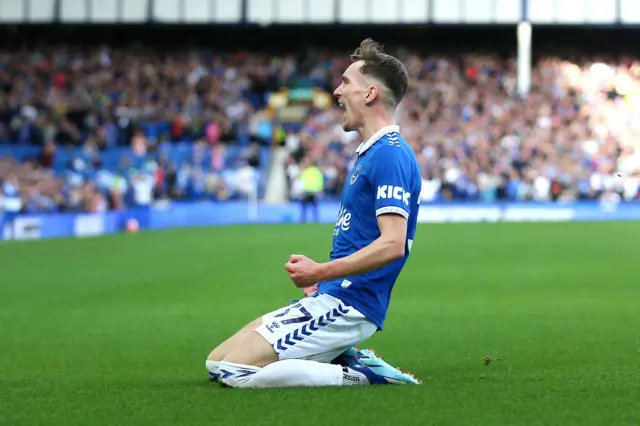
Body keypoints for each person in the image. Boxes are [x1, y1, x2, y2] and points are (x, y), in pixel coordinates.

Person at [205, 38, 422, 388]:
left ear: (370, 94)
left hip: (351, 304)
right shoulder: (371, 153)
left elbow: (393, 244)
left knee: (236, 372)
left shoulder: (390, 154)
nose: (337, 91)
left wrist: (322, 270)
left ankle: (363, 375)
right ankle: (344, 355)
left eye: (346, 82)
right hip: (334, 292)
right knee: (216, 362)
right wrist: (325, 278)